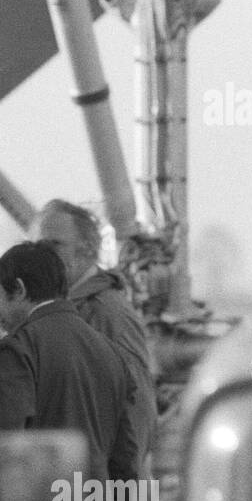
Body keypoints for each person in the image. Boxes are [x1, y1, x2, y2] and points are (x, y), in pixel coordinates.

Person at [0, 241, 139, 482]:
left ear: (20, 289)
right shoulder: (110, 351)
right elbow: (126, 456)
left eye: (0, 297)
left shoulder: (17, 348)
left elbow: (8, 446)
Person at [39, 199, 158, 470]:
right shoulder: (62, 311)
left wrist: (112, 499)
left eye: (54, 245)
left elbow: (137, 410)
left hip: (97, 494)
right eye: (36, 247)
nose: (41, 256)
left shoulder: (106, 314)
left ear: (89, 249)